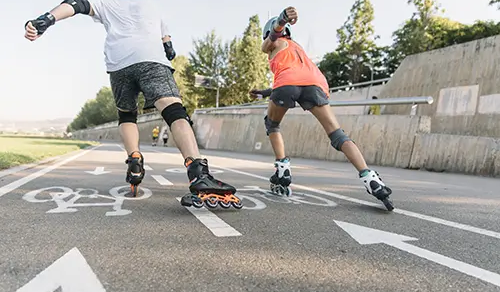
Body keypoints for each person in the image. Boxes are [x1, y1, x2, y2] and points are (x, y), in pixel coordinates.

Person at [24, 0, 241, 208]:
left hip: (119, 64)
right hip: (150, 60)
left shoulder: (105, 2)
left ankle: (134, 161)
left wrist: (47, 19)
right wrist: (168, 47)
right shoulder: (152, 5)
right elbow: (168, 44)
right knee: (174, 111)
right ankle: (198, 172)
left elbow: (75, 5)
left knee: (127, 115)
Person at [250, 6, 393, 210]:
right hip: (316, 84)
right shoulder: (297, 48)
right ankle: (370, 177)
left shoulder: (273, 43)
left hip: (287, 84)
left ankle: (282, 168)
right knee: (338, 135)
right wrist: (264, 92)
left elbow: (274, 42)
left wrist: (281, 20)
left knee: (271, 124)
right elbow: (296, 77)